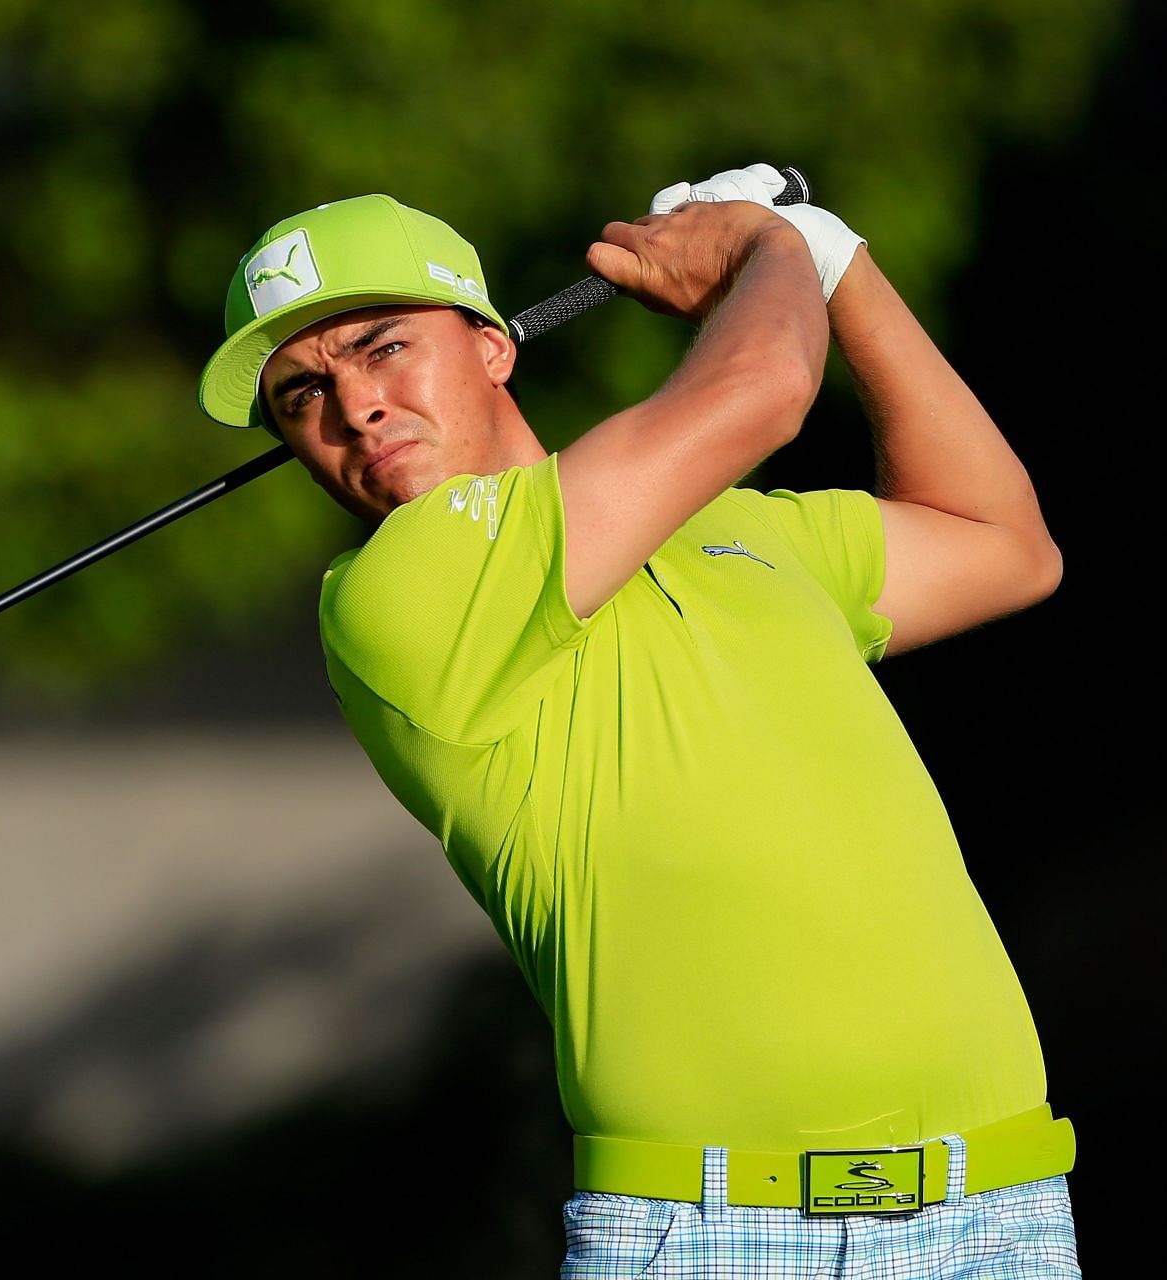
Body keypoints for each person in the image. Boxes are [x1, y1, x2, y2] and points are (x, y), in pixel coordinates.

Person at [196, 166, 1078, 1278]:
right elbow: (762, 387)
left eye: (381, 346)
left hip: (994, 1203)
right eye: (299, 395)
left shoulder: (746, 535)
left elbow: (1005, 543)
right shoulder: (395, 598)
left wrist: (841, 262)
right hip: (706, 1230)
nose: (352, 406)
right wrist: (768, 246)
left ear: (493, 345)